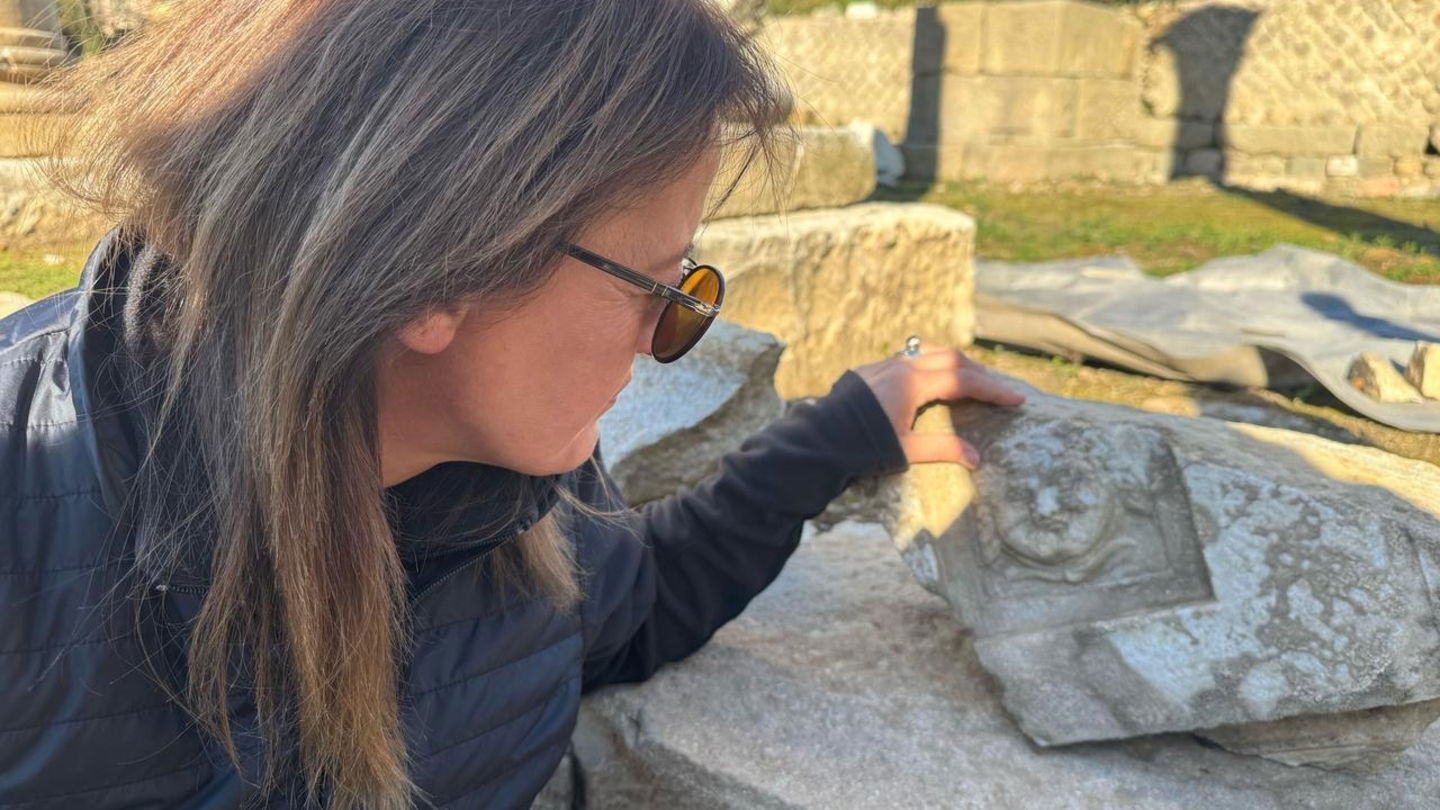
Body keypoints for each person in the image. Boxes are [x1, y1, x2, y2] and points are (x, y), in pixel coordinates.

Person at [0, 1, 1024, 807]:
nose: (668, 341)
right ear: (436, 269)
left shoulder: (524, 508)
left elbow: (636, 605)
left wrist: (841, 431)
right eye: (662, 290)